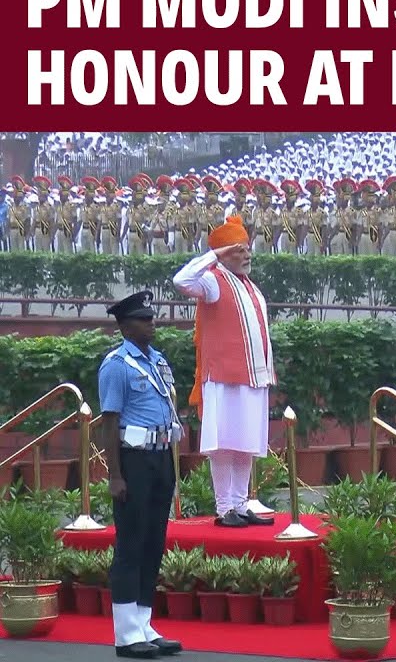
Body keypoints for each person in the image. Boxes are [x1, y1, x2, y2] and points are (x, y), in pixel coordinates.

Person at [172, 215, 276, 528]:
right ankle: (224, 507)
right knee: (224, 443)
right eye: (239, 250)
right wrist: (215, 255)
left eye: (247, 249)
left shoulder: (251, 287)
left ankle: (241, 505)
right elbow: (182, 280)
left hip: (253, 377)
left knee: (246, 443)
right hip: (222, 378)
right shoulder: (213, 280)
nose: (247, 256)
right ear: (223, 253)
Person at [99, 291, 183, 659]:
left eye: (151, 317)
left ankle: (144, 623)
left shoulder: (157, 361)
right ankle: (126, 633)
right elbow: (109, 421)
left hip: (160, 455)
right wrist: (115, 475)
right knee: (131, 545)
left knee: (153, 542)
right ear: (124, 325)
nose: (152, 323)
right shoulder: (116, 365)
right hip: (132, 459)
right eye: (143, 319)